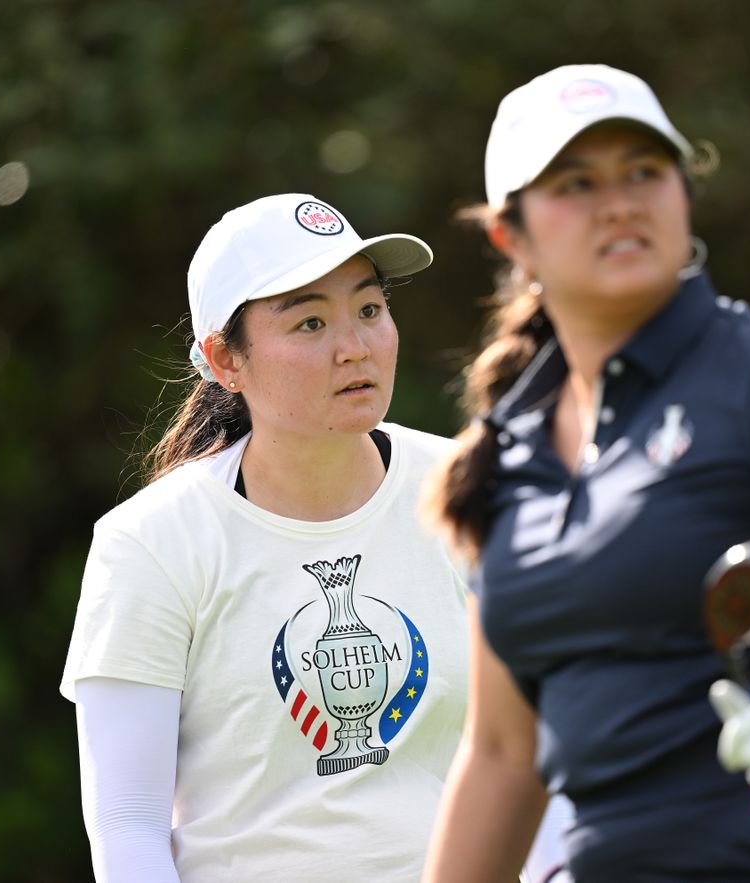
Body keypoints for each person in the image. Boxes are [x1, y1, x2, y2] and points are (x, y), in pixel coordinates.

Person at [421, 64, 750, 882]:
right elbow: (502, 751)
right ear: (513, 237)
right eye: (576, 182)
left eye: (645, 172)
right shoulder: (501, 454)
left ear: (683, 194)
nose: (620, 202)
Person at [60, 193, 467, 880]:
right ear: (225, 360)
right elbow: (128, 830)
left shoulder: (467, 491)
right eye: (310, 322)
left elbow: (537, 756)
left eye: (369, 309)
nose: (356, 347)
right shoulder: (152, 542)